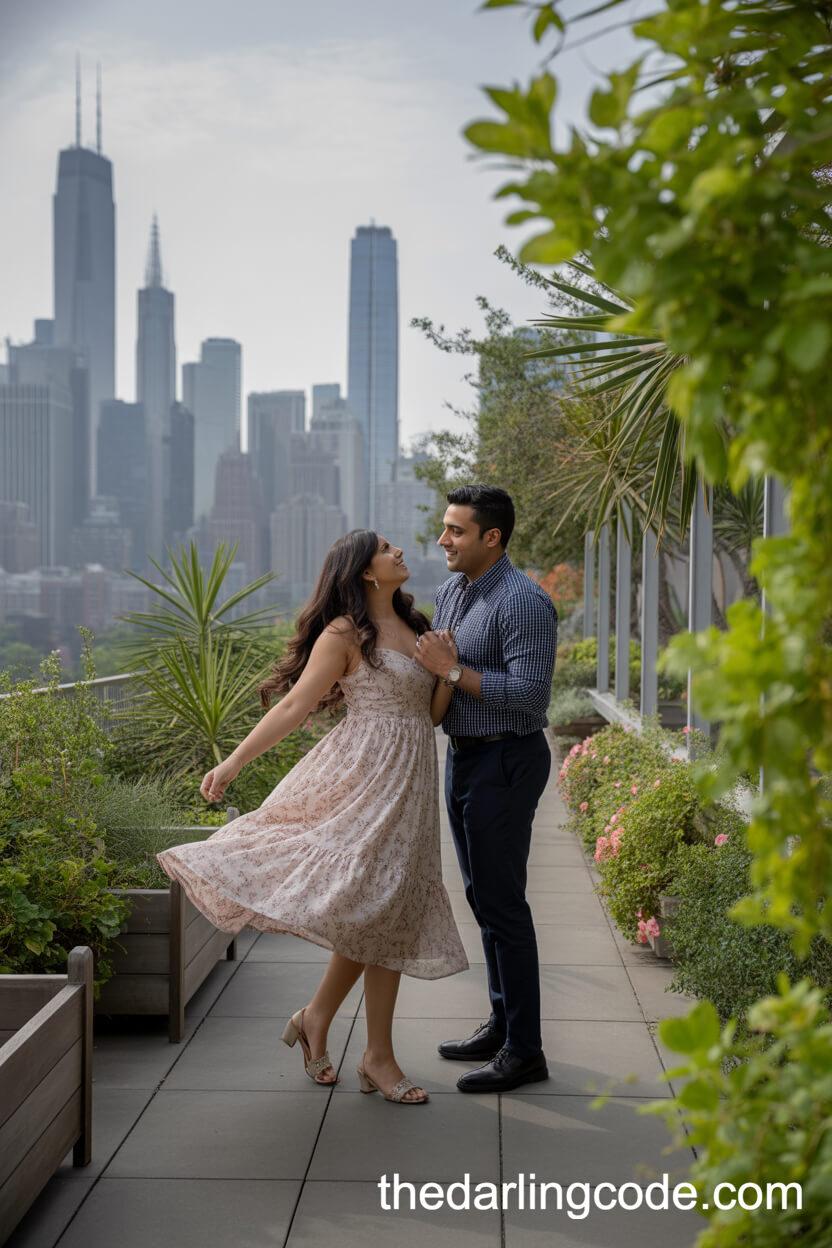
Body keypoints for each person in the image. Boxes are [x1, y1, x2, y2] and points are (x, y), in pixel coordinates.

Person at [157, 530, 467, 1105]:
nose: (399, 552)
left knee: (388, 906)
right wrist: (230, 764)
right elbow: (296, 705)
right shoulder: (345, 633)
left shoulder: (421, 627)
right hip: (360, 778)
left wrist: (448, 671)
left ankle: (334, 1029)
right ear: (366, 572)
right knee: (370, 899)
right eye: (386, 549)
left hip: (410, 779)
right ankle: (367, 1050)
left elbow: (428, 717)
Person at [413, 484, 558, 1093]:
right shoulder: (452, 593)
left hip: (507, 760)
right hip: (466, 759)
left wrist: (450, 670)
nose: (442, 539)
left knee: (504, 906)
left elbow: (529, 696)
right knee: (482, 900)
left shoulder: (523, 602)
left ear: (491, 537)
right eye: (445, 528)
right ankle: (502, 1025)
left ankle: (525, 1050)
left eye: (456, 530)